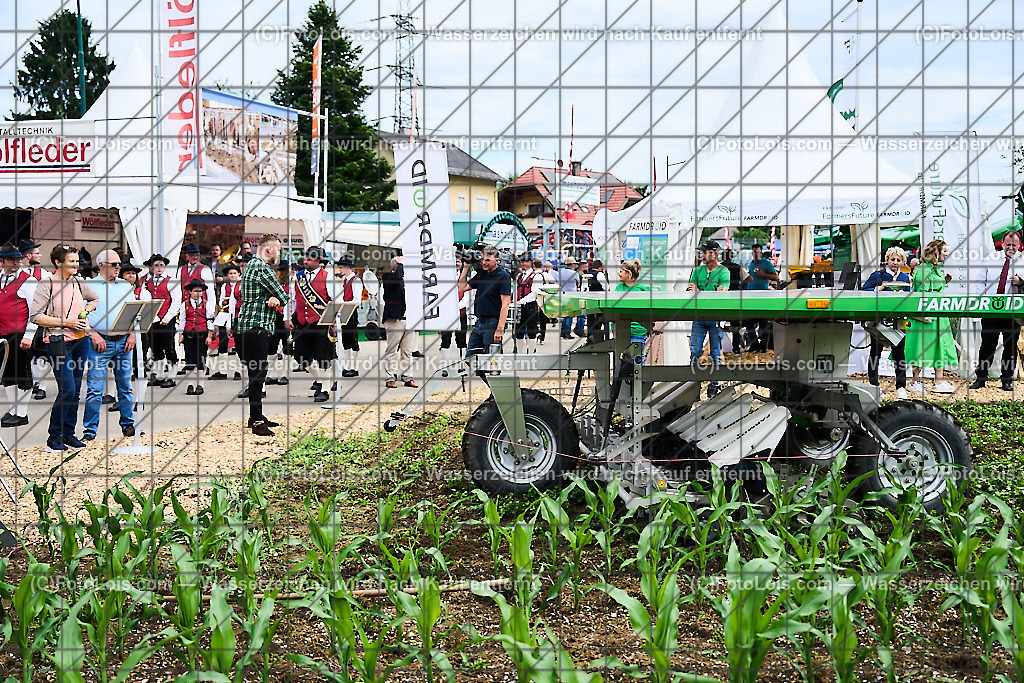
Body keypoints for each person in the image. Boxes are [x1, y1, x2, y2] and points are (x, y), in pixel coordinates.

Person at [28, 245, 100, 452]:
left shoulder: (78, 282)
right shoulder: (47, 284)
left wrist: (86, 309)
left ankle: (69, 434)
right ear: (58, 263)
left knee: (75, 390)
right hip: (58, 341)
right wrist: (66, 322)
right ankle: (53, 438)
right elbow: (36, 316)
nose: (77, 265)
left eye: (77, 261)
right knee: (66, 389)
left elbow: (95, 299)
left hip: (80, 341)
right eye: (72, 261)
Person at [235, 234, 290, 436]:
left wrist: (273, 298)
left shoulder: (250, 265)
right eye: (278, 249)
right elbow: (283, 295)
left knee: (255, 373)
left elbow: (272, 295)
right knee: (258, 374)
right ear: (268, 250)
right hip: (256, 327)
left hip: (246, 327)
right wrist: (277, 298)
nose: (279, 253)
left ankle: (254, 416)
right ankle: (257, 421)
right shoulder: (262, 268)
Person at [82, 250, 137, 440]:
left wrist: (132, 335)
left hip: (123, 341)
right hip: (99, 342)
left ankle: (128, 424)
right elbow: (81, 315)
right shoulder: (89, 286)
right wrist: (93, 334)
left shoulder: (125, 286)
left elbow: (134, 313)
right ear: (102, 265)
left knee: (125, 386)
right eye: (114, 264)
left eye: (119, 264)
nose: (118, 268)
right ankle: (90, 431)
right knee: (95, 389)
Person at [972, 230, 1024, 391]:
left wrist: (1021, 281)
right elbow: (980, 282)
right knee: (987, 344)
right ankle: (981, 378)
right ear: (1002, 244)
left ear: (1019, 245)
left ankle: (1006, 380)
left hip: (1012, 310)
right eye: (1008, 244)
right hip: (992, 308)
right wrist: (981, 303)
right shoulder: (990, 259)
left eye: (1014, 245)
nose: (1011, 248)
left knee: (1010, 346)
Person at [905, 239, 958, 394]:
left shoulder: (936, 269)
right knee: (920, 347)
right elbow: (922, 293)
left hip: (939, 313)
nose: (946, 254)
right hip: (925, 317)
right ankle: (914, 381)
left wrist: (945, 280)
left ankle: (939, 381)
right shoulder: (922, 270)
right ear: (936, 252)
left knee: (940, 345)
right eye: (944, 251)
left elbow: (935, 287)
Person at [287, 247, 338, 400]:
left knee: (324, 357)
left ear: (318, 261)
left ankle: (326, 390)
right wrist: (288, 317)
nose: (305, 261)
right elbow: (292, 299)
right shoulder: (298, 276)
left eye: (309, 259)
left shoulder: (328, 277)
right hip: (302, 322)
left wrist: (334, 323)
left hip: (322, 322)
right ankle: (320, 380)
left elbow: (334, 301)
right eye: (305, 258)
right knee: (300, 356)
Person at [861, 246, 911, 400]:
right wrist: (879, 288)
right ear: (887, 260)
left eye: (898, 260)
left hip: (898, 320)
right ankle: (874, 385)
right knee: (875, 352)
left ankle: (901, 386)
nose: (895, 262)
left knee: (899, 354)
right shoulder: (878, 275)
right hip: (879, 320)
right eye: (892, 259)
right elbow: (863, 290)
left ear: (903, 262)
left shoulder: (905, 277)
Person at [687, 240, 729, 397]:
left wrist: (699, 291)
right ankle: (693, 385)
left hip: (716, 317)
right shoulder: (697, 270)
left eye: (705, 252)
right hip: (699, 316)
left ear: (715, 253)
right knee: (695, 351)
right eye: (701, 252)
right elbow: (691, 290)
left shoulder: (724, 271)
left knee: (715, 353)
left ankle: (714, 386)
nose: (702, 255)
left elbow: (721, 294)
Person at [0, 243, 34, 428]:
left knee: (22, 374)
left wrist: (29, 335)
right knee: (7, 374)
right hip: (2, 334)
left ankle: (22, 413)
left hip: (19, 333)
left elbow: (35, 311)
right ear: (2, 261)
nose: (16, 263)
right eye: (11, 260)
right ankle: (14, 409)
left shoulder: (27, 280)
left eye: (18, 260)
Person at [458, 245, 512, 359]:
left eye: (487, 260)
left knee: (492, 361)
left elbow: (505, 304)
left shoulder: (503, 276)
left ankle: (491, 376)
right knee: (471, 358)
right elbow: (462, 288)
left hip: (493, 324)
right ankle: (482, 375)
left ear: (497, 261)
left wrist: (500, 328)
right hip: (479, 323)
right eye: (482, 259)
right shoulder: (482, 274)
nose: (483, 263)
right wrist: (466, 267)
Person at [142, 254, 181, 388]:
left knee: (169, 347)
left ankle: (171, 376)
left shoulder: (172, 281)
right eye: (156, 265)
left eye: (162, 265)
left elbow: (176, 301)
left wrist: (167, 317)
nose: (159, 268)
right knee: (155, 347)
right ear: (151, 267)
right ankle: (158, 375)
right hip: (152, 319)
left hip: (166, 319)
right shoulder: (147, 282)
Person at [18, 238, 51, 400]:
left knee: (42, 354)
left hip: (41, 317)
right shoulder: (15, 274)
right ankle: (29, 382)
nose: (40, 255)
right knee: (27, 355)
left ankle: (42, 385)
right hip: (22, 319)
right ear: (28, 255)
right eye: (37, 253)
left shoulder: (43, 273)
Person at [381, 257, 417, 388]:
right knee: (392, 350)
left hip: (409, 318)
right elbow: (396, 278)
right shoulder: (388, 276)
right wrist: (400, 264)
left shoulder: (409, 281)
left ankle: (408, 376)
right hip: (394, 319)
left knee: (407, 351)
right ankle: (390, 376)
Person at [176, 279, 216, 395]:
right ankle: (189, 384)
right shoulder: (185, 304)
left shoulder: (207, 304)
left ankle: (200, 385)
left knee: (201, 360)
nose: (198, 293)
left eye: (200, 291)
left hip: (202, 335)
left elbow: (210, 321)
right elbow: (182, 321)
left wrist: (209, 336)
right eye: (195, 291)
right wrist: (180, 335)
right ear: (189, 292)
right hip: (189, 335)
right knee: (189, 360)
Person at [210, 263, 243, 381]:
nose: (233, 275)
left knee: (239, 343)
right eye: (230, 273)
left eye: (235, 273)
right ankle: (223, 371)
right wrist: (222, 303)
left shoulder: (242, 284)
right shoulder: (225, 286)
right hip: (226, 315)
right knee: (222, 342)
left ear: (239, 274)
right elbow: (222, 299)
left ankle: (239, 370)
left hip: (237, 315)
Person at [745, 244, 778, 352]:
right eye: (754, 252)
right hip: (751, 295)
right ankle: (755, 345)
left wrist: (763, 274)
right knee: (748, 321)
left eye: (757, 252)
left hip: (763, 296)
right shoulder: (751, 264)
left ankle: (763, 347)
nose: (755, 254)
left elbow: (776, 277)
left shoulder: (766, 263)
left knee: (763, 322)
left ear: (761, 253)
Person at [614, 259, 651, 346]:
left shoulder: (643, 289)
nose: (618, 274)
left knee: (637, 358)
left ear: (629, 273)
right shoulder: (618, 288)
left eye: (621, 271)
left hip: (638, 331)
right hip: (621, 330)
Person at [337, 255, 363, 377]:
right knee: (346, 340)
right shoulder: (345, 281)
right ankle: (347, 366)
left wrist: (344, 304)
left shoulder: (355, 280)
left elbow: (357, 300)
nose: (340, 270)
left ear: (347, 267)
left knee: (352, 340)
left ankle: (355, 367)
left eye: (341, 267)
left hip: (352, 312)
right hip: (345, 312)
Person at [513, 254, 540, 352]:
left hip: (530, 306)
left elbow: (535, 293)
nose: (523, 263)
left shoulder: (536, 276)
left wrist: (521, 301)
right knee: (518, 331)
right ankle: (520, 353)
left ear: (530, 263)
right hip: (520, 307)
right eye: (522, 262)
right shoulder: (520, 276)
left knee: (531, 330)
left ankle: (532, 352)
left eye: (525, 261)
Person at [557, 257, 581, 339]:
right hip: (571, 295)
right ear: (573, 264)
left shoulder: (561, 273)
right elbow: (578, 283)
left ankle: (562, 331)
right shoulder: (575, 274)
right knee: (570, 314)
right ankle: (567, 333)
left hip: (563, 294)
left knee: (564, 314)